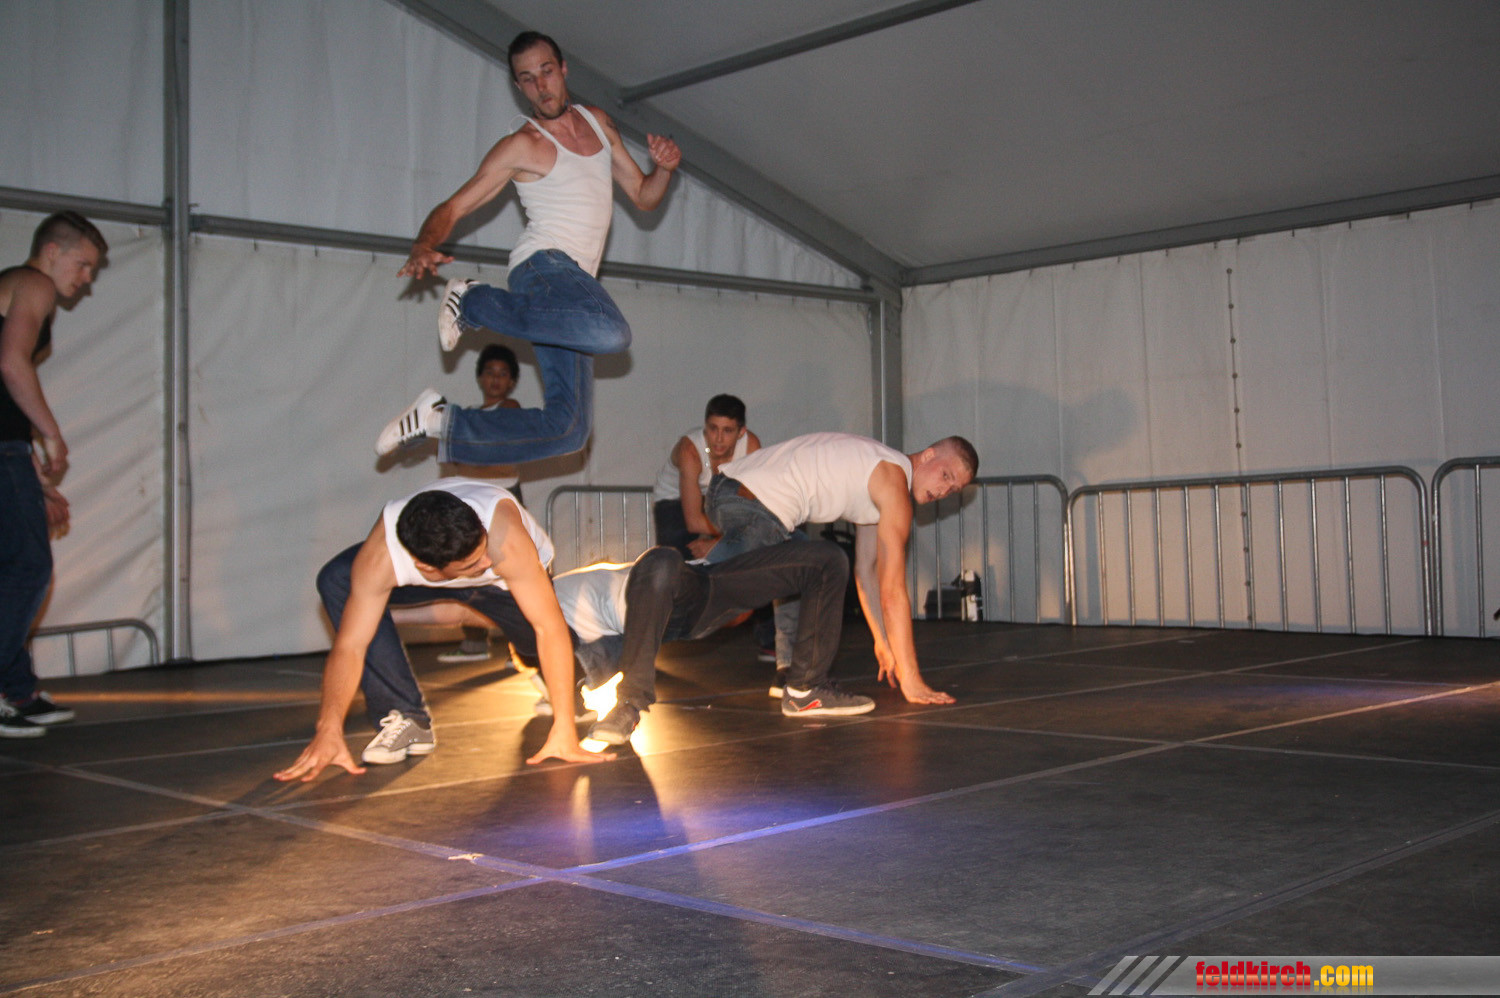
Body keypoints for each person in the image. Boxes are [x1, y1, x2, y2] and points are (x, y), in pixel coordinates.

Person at [378, 30, 682, 465]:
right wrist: (424, 243)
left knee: (569, 430)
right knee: (612, 332)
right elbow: (455, 206)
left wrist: (664, 170)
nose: (541, 86)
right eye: (528, 79)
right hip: (544, 267)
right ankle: (471, 301)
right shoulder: (522, 145)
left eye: (546, 72)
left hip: (572, 292)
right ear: (518, 87)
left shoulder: (599, 123)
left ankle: (439, 421)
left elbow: (643, 196)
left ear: (564, 69)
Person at [274, 479, 612, 781]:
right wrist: (328, 728)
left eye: (482, 551)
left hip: (502, 587)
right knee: (337, 579)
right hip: (432, 582)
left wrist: (564, 727)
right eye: (472, 564)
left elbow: (548, 628)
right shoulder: (381, 558)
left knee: (547, 641)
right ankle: (406, 715)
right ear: (424, 566)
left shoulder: (504, 543)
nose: (486, 564)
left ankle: (567, 675)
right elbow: (350, 646)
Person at [703, 431, 979, 705]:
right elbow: (892, 591)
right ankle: (805, 688)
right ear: (928, 455)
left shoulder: (882, 474)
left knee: (808, 567)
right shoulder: (893, 482)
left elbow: (867, 572)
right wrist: (911, 679)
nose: (943, 490)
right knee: (823, 567)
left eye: (952, 490)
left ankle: (794, 677)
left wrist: (883, 641)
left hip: (733, 492)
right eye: (945, 476)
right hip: (751, 500)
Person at [553, 540, 873, 746]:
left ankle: (805, 690)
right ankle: (629, 704)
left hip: (693, 589)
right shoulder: (554, 620)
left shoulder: (549, 596)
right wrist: (573, 702)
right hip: (646, 618)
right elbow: (589, 661)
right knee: (660, 561)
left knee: (827, 558)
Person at [0, 211, 106, 738]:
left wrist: (34, 477)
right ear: (51, 252)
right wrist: (52, 435)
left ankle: (17, 689)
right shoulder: (34, 283)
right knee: (29, 568)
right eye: (82, 265)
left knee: (12, 569)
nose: (85, 279)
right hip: (5, 449)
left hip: (8, 450)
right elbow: (12, 363)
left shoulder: (15, 285)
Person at [429, 344, 526, 664]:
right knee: (466, 567)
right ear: (480, 378)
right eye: (490, 372)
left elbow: (491, 450)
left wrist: (462, 437)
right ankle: (474, 642)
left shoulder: (509, 408)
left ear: (512, 381)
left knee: (514, 570)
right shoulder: (468, 416)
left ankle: (525, 647)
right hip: (471, 499)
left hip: (503, 498)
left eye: (503, 374)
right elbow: (456, 459)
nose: (496, 379)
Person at [651, 394, 761, 560]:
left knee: (741, 551)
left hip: (720, 497)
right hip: (674, 500)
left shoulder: (750, 446)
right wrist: (732, 536)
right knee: (677, 560)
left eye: (727, 431)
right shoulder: (690, 452)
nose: (718, 439)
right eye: (713, 428)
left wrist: (721, 542)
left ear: (741, 432)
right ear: (705, 427)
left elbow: (751, 507)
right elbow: (694, 522)